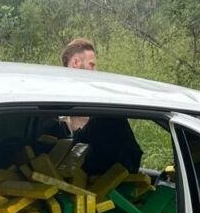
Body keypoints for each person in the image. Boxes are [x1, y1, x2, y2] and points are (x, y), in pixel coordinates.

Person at [53, 38, 143, 176]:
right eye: (92, 65)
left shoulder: (60, 98)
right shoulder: (57, 100)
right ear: (76, 62)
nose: (95, 71)